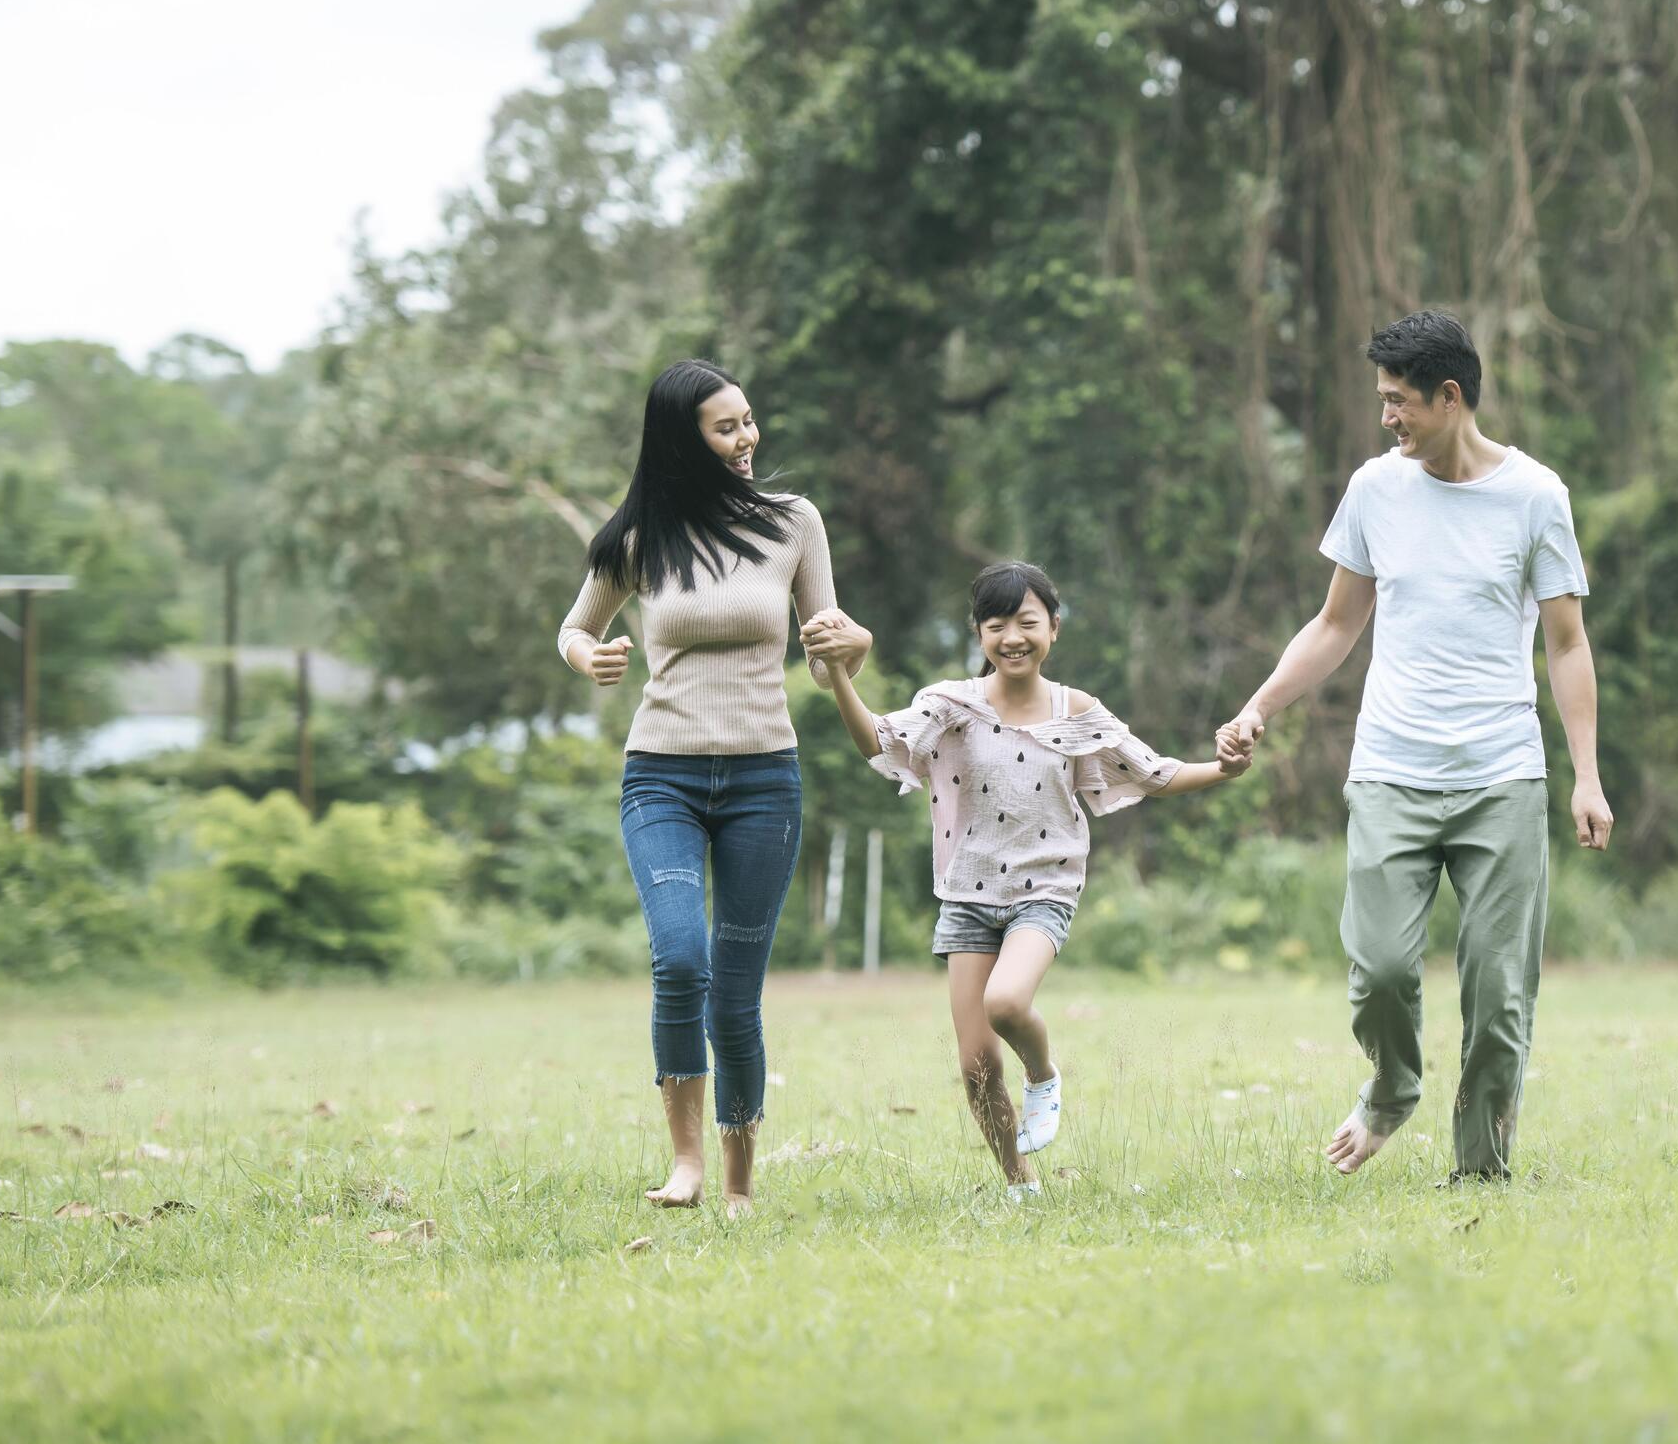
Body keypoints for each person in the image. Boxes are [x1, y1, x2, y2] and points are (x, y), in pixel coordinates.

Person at [1218, 311, 1610, 1181]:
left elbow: (1567, 643)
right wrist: (1259, 708)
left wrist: (1586, 777)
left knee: (1498, 991)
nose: (1387, 418)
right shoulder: (1374, 488)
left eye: (1399, 402)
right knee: (1383, 969)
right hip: (1393, 768)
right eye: (1381, 401)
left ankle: (1481, 1168)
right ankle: (1394, 1087)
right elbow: (1334, 624)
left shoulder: (1536, 496)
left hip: (1502, 775)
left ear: (1450, 396)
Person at [801, 562, 1249, 1198]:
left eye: (1027, 622)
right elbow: (878, 740)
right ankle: (1019, 1182)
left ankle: (1043, 1073)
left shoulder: (1076, 711)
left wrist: (1222, 771)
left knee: (1007, 1003)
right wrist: (840, 674)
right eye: (997, 624)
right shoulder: (952, 705)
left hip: (1045, 891)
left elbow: (1151, 771)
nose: (1013, 636)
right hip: (967, 894)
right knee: (976, 1065)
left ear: (1054, 629)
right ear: (979, 635)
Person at [558, 359, 852, 1215]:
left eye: (749, 421)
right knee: (680, 954)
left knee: (736, 987)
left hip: (766, 776)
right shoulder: (640, 537)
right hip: (663, 777)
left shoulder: (794, 522)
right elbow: (576, 628)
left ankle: (736, 1183)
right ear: (683, 441)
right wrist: (592, 656)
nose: (748, 439)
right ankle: (684, 1162)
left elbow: (828, 640)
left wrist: (853, 645)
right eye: (727, 428)